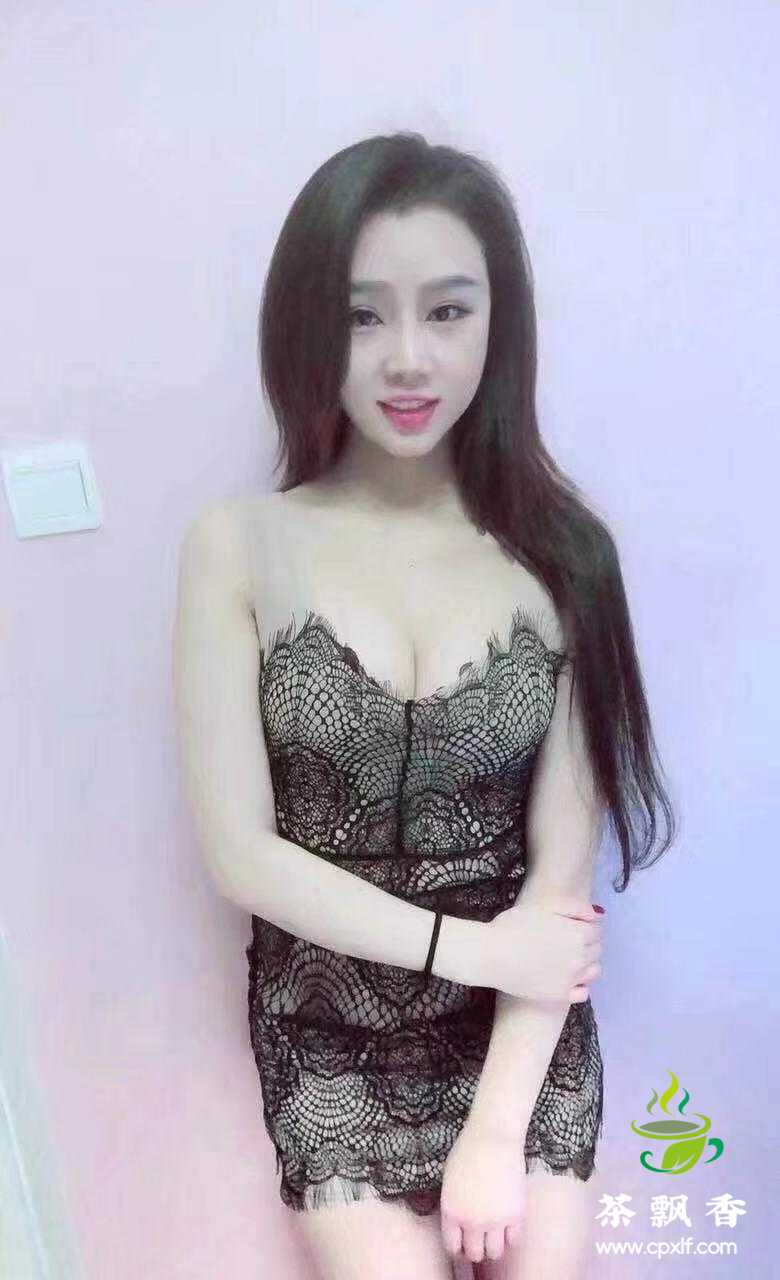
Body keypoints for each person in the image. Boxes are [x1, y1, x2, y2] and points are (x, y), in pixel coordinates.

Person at [173, 132, 677, 1280]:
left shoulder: (567, 557)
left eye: (447, 311)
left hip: (518, 1034)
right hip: (331, 1034)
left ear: (500, 322)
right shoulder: (238, 546)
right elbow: (241, 855)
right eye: (362, 316)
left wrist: (494, 1137)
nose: (407, 358)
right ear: (307, 325)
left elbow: (558, 892)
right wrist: (473, 944)